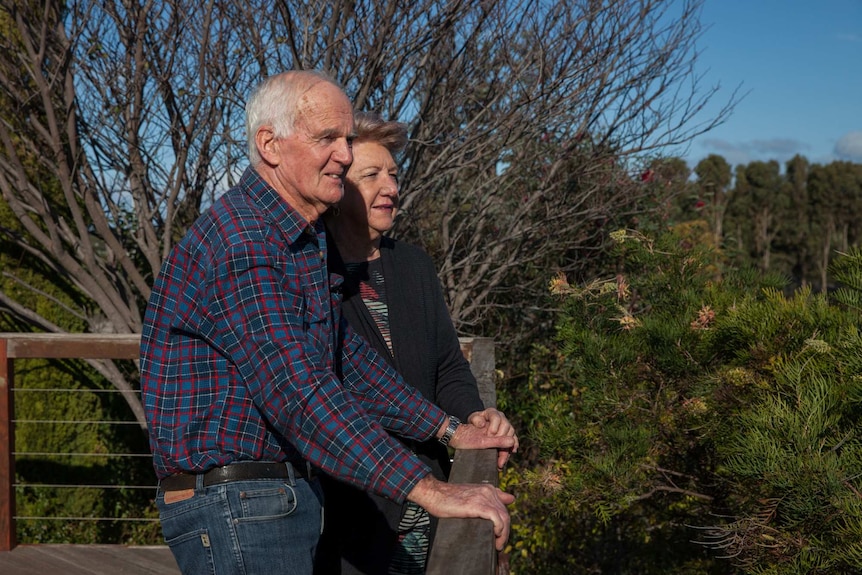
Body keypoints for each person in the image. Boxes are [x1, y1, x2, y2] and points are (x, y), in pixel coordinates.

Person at [139, 70, 517, 575]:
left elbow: (344, 358)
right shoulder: (245, 243)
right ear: (269, 145)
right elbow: (299, 393)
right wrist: (430, 490)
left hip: (274, 496)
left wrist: (451, 429)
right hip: (238, 504)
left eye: (346, 139)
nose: (343, 153)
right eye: (327, 138)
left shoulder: (299, 238)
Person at [316, 111, 517, 575]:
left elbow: (447, 363)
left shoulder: (413, 267)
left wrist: (473, 415)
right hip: (353, 503)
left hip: (430, 493)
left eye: (393, 174)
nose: (390, 187)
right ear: (337, 185)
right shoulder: (312, 273)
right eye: (372, 175)